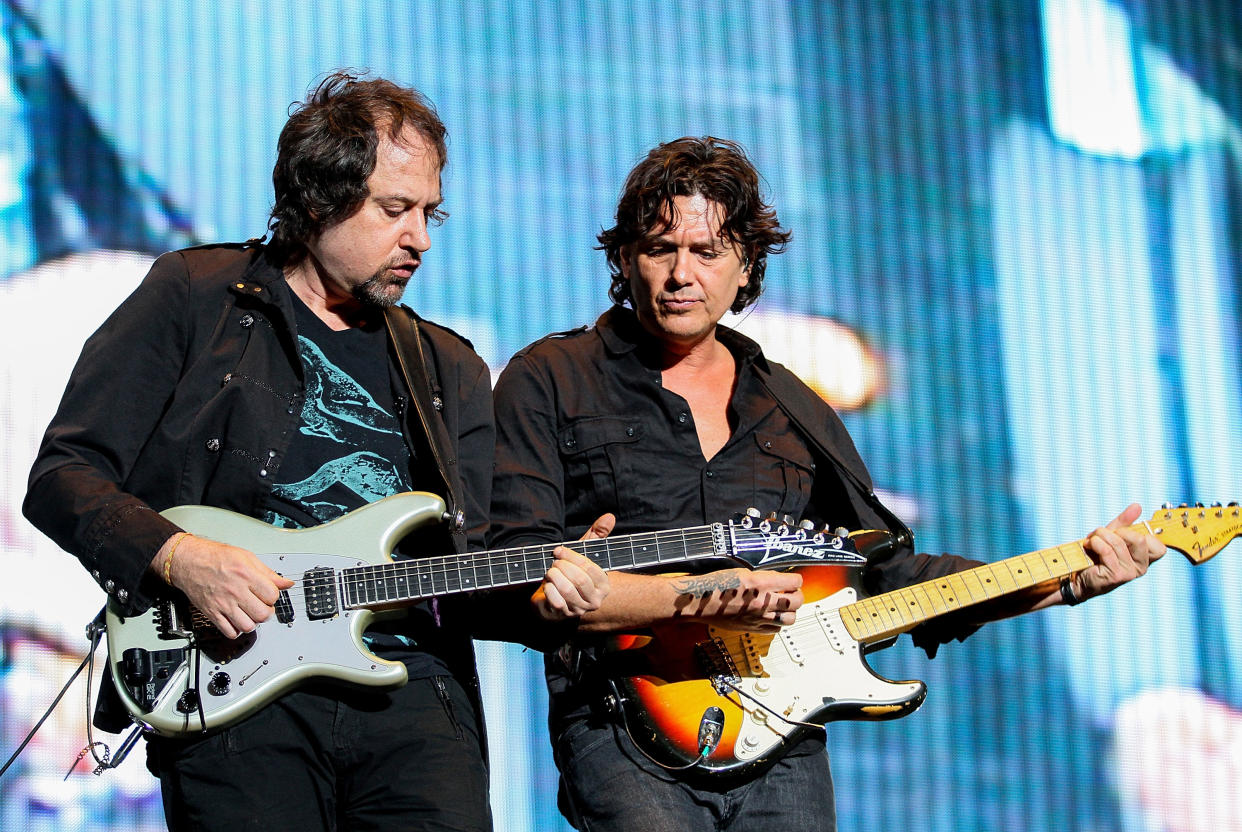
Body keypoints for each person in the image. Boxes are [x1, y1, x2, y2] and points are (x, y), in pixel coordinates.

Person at [487, 136, 1165, 831]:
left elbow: (888, 573)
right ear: (626, 256)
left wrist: (1070, 579)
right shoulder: (550, 377)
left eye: (707, 251)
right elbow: (515, 572)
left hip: (784, 739)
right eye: (662, 249)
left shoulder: (791, 405)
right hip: (622, 725)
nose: (680, 274)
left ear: (746, 262)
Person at [23, 71, 606, 831]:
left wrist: (549, 590)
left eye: (430, 212)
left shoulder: (448, 367)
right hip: (236, 683)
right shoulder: (197, 296)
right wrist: (177, 557)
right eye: (395, 210)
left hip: (416, 698)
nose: (420, 239)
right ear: (317, 198)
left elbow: (475, 563)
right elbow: (63, 476)